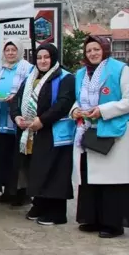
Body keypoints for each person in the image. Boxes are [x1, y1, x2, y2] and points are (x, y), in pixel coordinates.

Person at [9, 43, 75, 226]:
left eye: (46, 57)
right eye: (39, 57)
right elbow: (16, 100)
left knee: (54, 172)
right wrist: (16, 117)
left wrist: (42, 120)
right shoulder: (31, 77)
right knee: (36, 170)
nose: (43, 61)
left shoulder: (65, 77)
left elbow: (63, 104)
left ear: (53, 58)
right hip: (31, 133)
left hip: (54, 133)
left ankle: (56, 212)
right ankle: (39, 204)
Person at [72, 36, 129, 238]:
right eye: (88, 51)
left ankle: (112, 224)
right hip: (87, 131)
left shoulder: (120, 69)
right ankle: (92, 218)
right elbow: (77, 99)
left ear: (104, 49)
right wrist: (76, 111)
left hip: (113, 130)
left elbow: (127, 100)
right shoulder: (81, 74)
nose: (93, 53)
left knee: (110, 181)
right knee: (88, 177)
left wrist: (102, 110)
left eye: (96, 49)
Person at [0, 38, 33, 205]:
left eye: (13, 50)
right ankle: (7, 190)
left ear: (20, 51)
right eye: (7, 50)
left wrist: (16, 98)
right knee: (3, 158)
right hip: (1, 121)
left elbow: (30, 92)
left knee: (19, 159)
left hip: (19, 122)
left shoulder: (28, 69)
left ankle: (21, 193)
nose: (10, 53)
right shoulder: (0, 70)